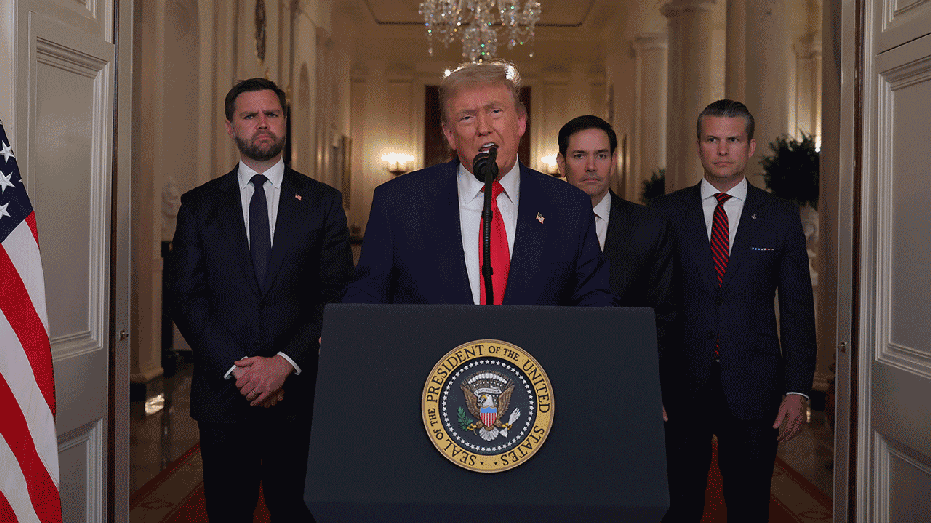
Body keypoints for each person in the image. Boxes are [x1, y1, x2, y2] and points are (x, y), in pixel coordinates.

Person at [166, 77, 353, 522]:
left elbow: (336, 293)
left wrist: (283, 364)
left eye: (272, 114)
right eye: (250, 116)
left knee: (298, 512)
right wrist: (241, 370)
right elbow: (186, 296)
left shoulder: (324, 203)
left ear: (285, 122)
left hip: (300, 395)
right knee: (228, 512)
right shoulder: (199, 206)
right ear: (231, 127)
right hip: (225, 396)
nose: (262, 124)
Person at [651, 99, 816, 522]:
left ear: (750, 146)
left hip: (755, 387)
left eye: (733, 140)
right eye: (712, 139)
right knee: (678, 505)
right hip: (680, 387)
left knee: (749, 506)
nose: (722, 150)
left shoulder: (779, 216)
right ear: (699, 145)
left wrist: (798, 388)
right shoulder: (667, 213)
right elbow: (651, 305)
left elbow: (797, 307)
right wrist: (646, 382)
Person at [344, 61, 612, 306]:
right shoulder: (399, 201)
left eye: (495, 111)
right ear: (450, 135)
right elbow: (366, 297)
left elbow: (594, 300)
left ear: (520, 122)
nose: (483, 128)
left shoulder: (569, 205)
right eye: (467, 117)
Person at [557, 115, 674, 347]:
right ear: (562, 164)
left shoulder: (650, 227)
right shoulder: (536, 225)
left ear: (614, 161)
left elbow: (664, 316)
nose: (591, 167)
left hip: (628, 367)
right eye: (579, 156)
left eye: (601, 156)